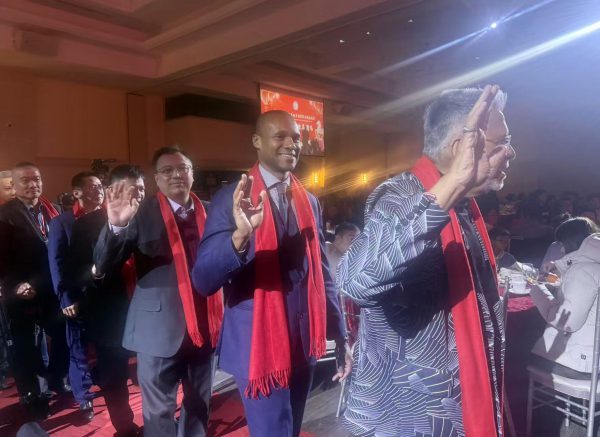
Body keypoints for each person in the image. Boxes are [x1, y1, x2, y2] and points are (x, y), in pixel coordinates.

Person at [337, 85, 516, 437]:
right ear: (461, 149)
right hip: (406, 414)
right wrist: (455, 183)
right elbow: (355, 281)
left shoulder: (464, 204)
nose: (511, 152)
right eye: (501, 143)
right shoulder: (402, 194)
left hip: (452, 404)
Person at [192, 110, 351, 437]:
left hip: (304, 342)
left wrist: (340, 335)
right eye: (280, 136)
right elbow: (203, 280)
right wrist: (240, 237)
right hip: (258, 343)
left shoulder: (308, 201)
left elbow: (322, 273)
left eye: (296, 138)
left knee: (290, 429)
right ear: (257, 141)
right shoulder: (229, 199)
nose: (291, 144)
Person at [93, 146, 223, 437]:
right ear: (157, 178)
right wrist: (116, 227)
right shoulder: (140, 213)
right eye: (167, 170)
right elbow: (104, 264)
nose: (176, 175)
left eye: (182, 168)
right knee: (158, 413)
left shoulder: (212, 212)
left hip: (206, 327)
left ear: (192, 173)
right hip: (158, 332)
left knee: (199, 404)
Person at [67, 165, 145, 436]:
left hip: (149, 313)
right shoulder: (86, 225)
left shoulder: (153, 219)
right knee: (115, 379)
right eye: (130, 190)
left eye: (141, 190)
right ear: (112, 190)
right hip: (110, 317)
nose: (136, 196)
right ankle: (124, 427)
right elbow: (76, 273)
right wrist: (95, 272)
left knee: (154, 375)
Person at [0, 162, 69, 419]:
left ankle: (56, 378)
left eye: (36, 179)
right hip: (21, 292)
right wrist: (15, 285)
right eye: (25, 180)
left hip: (51, 289)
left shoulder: (54, 210)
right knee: (27, 348)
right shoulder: (4, 214)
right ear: (14, 185)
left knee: (63, 336)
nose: (33, 184)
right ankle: (34, 396)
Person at [47, 171, 104, 420]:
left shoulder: (109, 218)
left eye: (101, 186)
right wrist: (65, 298)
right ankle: (84, 398)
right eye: (93, 187)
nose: (99, 191)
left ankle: (105, 380)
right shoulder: (62, 222)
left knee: (105, 345)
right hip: (76, 295)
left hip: (106, 296)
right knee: (78, 349)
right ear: (77, 192)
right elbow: (56, 263)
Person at [530, 217, 600, 376]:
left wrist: (538, 291)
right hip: (592, 358)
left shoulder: (582, 271)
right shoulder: (592, 266)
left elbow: (567, 323)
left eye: (562, 244)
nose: (561, 249)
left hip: (581, 364)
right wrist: (560, 266)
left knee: (521, 346)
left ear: (571, 242)